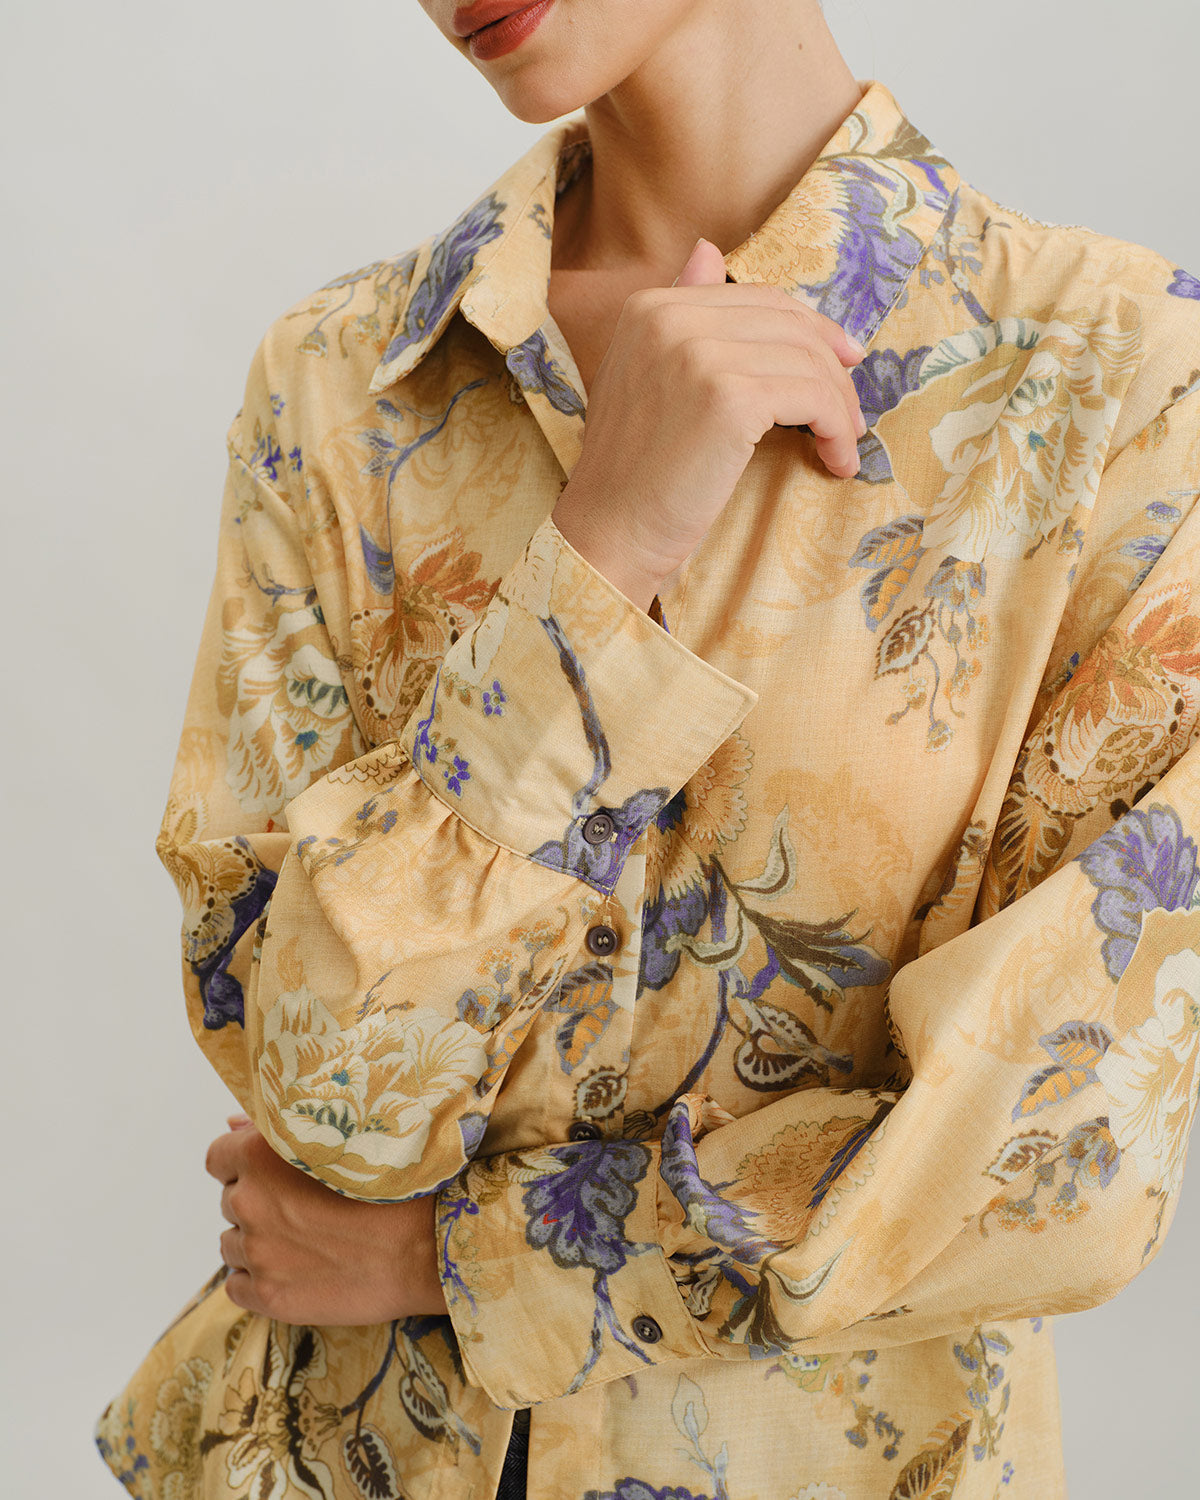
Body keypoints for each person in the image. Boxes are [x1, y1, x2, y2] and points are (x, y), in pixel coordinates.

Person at [95, 1, 1200, 1496]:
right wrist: (601, 558)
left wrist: (462, 1261)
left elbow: (1055, 1157)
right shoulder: (345, 379)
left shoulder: (1123, 384)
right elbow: (325, 1102)